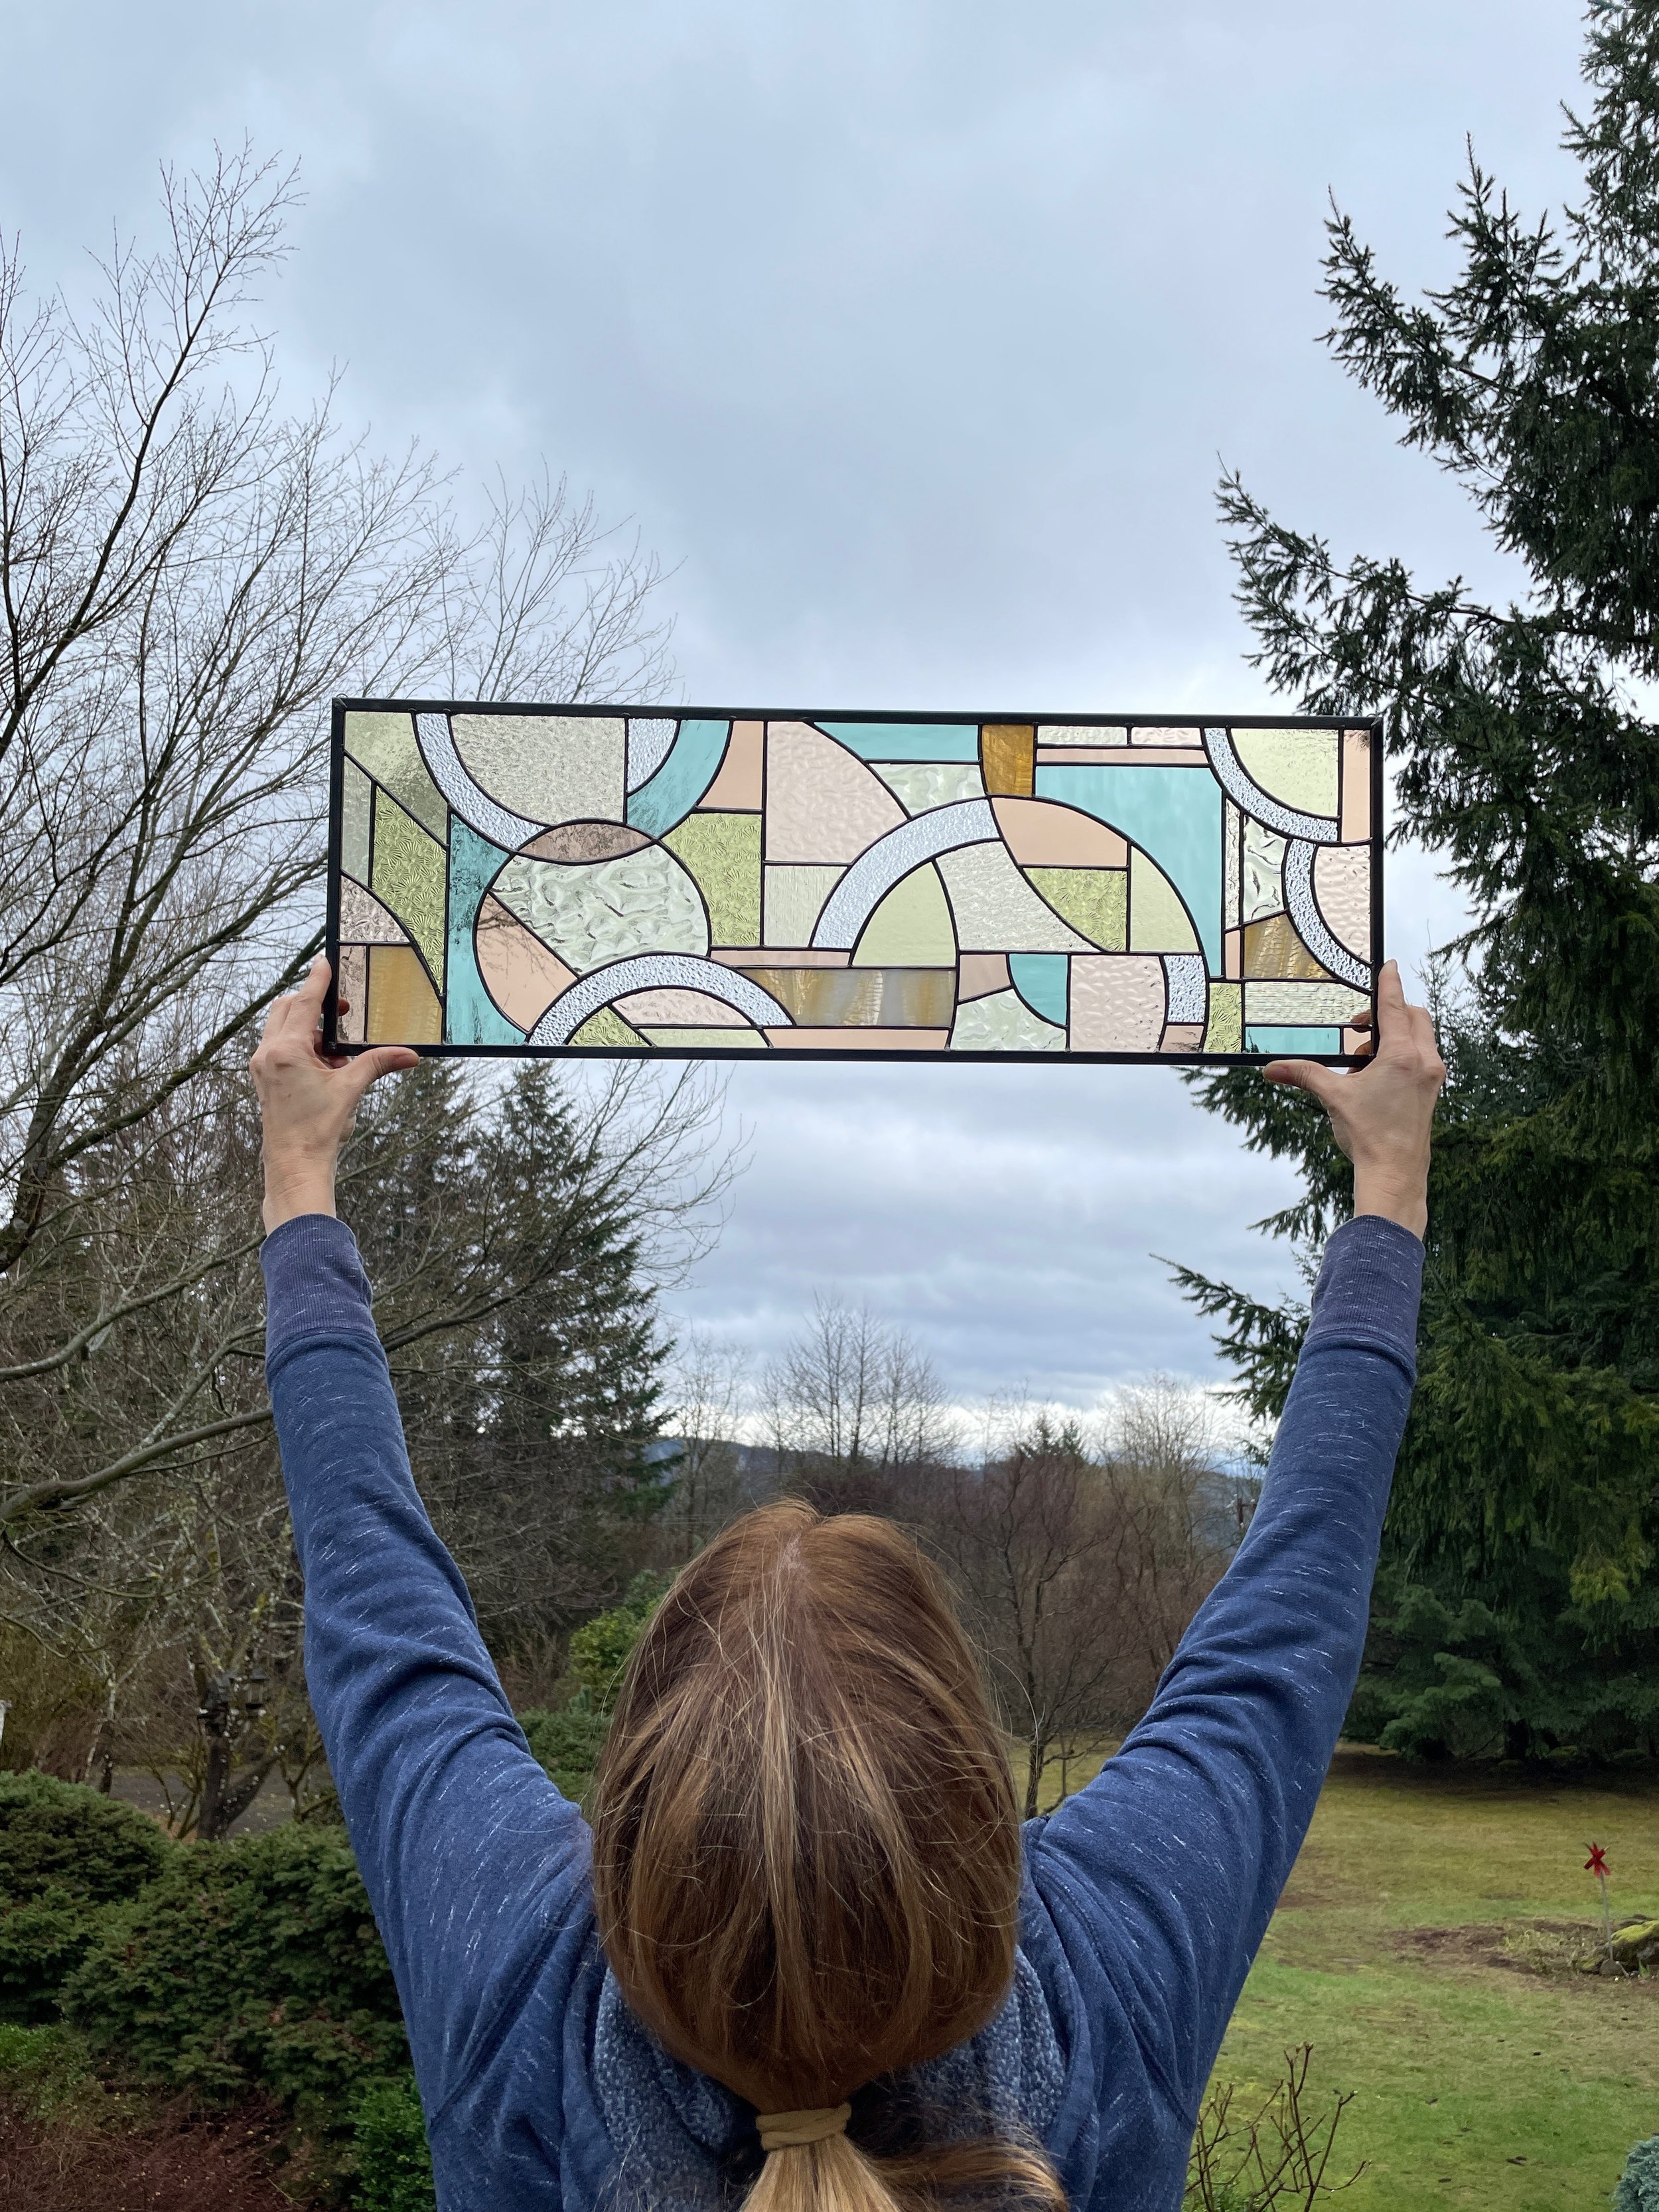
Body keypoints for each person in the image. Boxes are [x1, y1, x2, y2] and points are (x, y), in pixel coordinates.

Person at [251, 956, 1444, 2212]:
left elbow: (379, 1609)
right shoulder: (1102, 1983)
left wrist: (300, 1180)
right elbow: (1282, 1632)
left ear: (634, 1829)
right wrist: (1389, 1187)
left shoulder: (519, 1971)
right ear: (979, 1811)